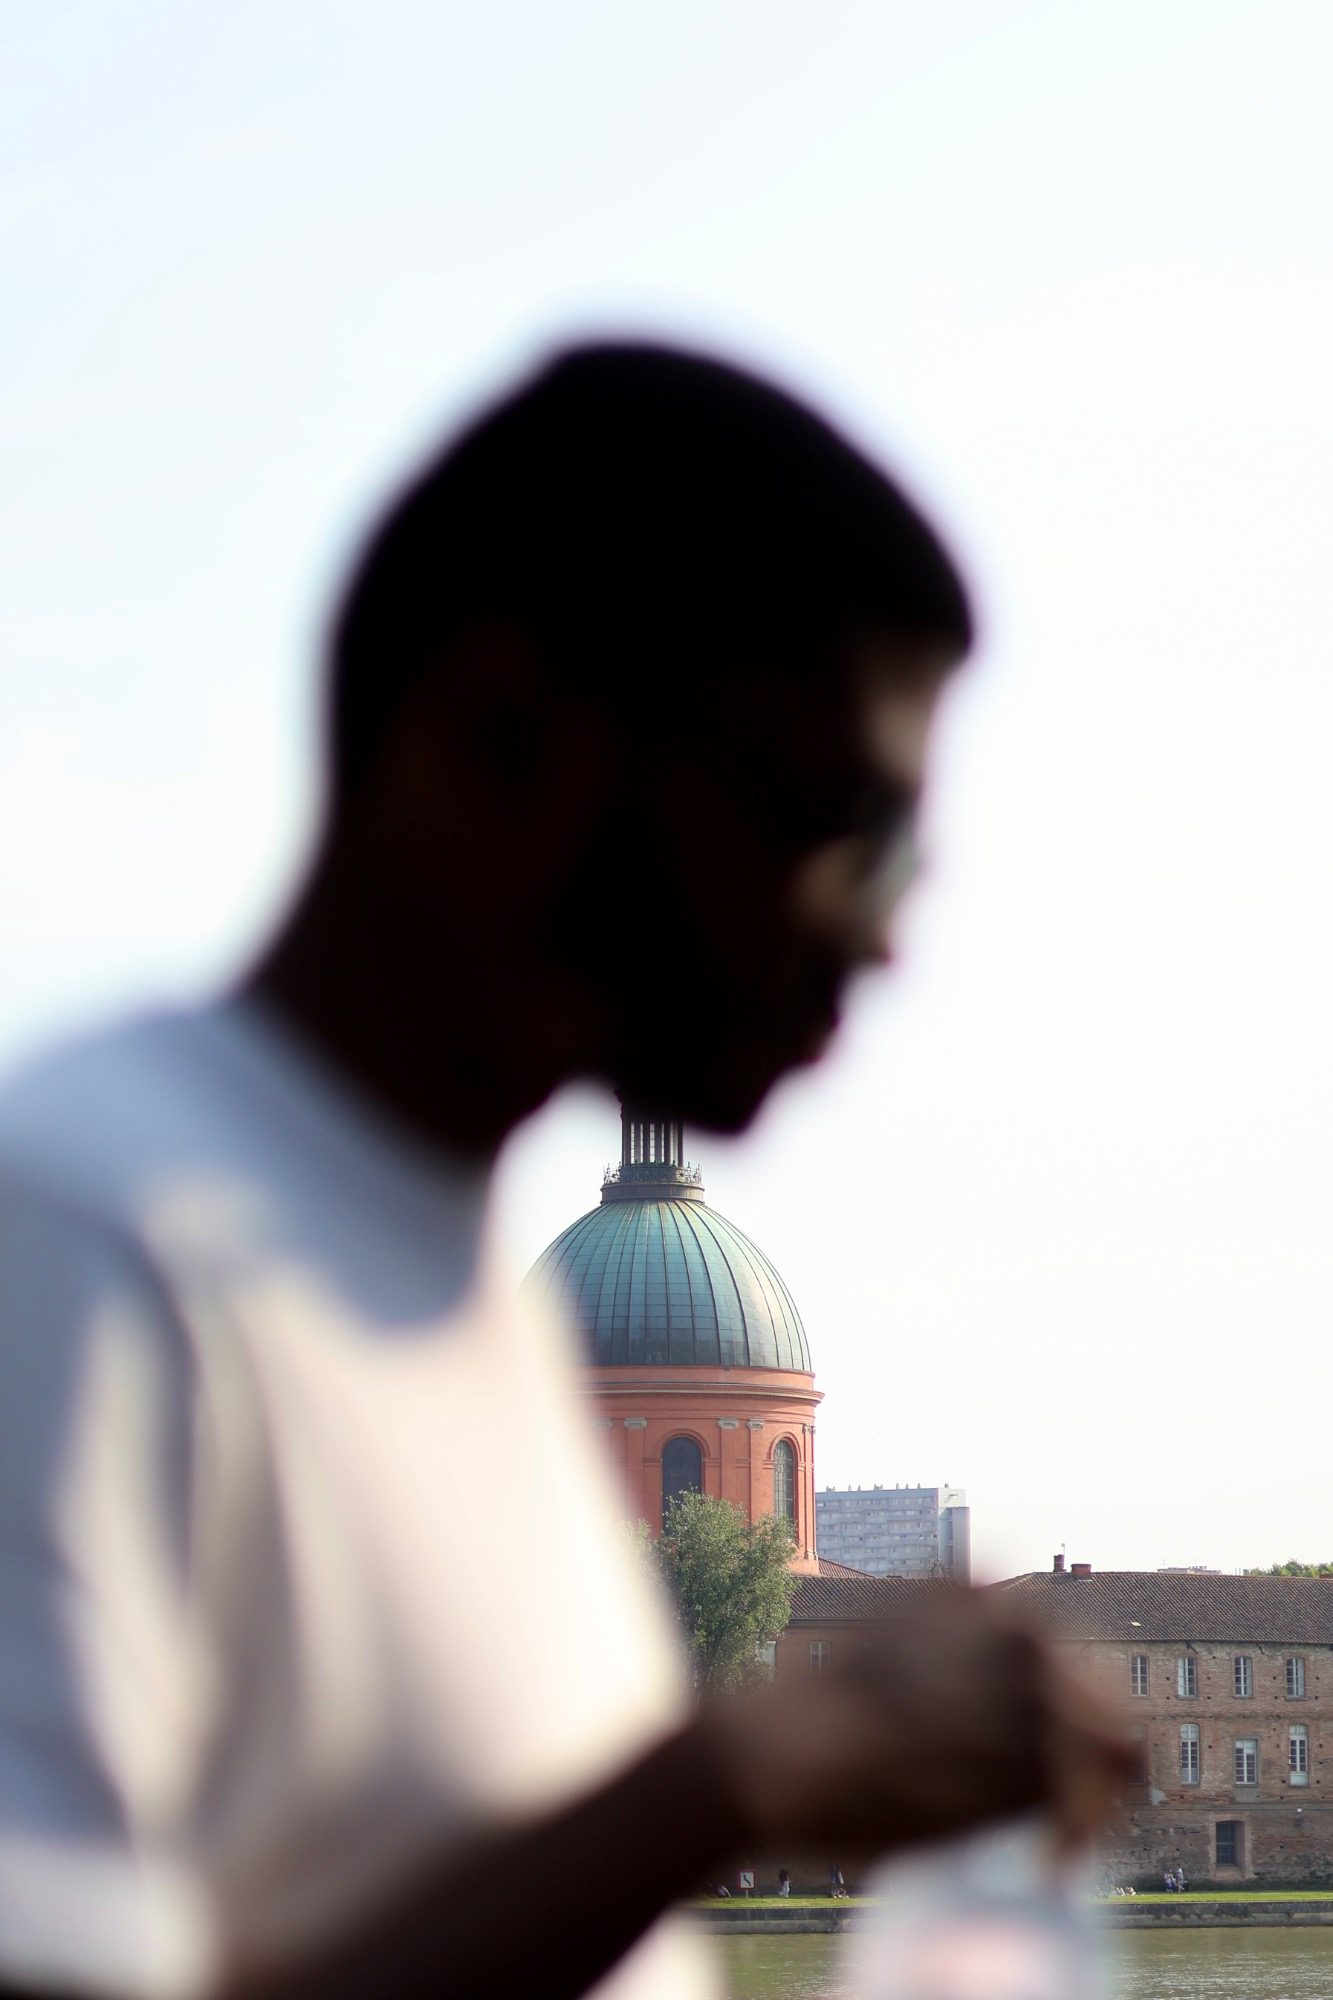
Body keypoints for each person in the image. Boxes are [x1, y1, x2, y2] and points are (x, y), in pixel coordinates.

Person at [0, 342, 1125, 2000]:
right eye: (831, 824)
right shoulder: (89, 1237)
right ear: (505, 732)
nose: (879, 941)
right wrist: (735, 1781)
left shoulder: (471, 1321)